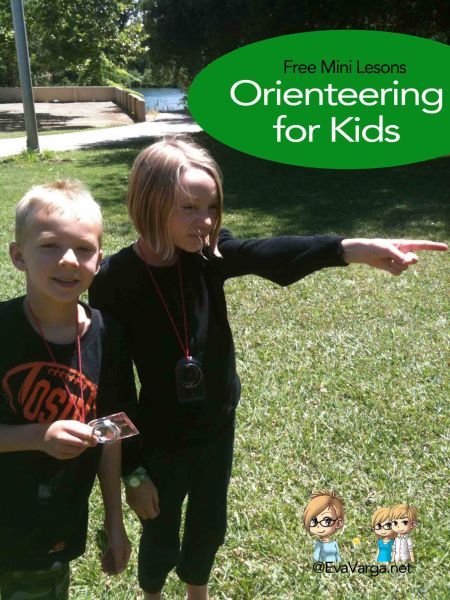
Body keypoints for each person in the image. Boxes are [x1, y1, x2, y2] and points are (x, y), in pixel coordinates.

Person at [88, 137, 447, 600]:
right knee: (160, 530)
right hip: (160, 436)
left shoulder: (207, 255)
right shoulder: (115, 281)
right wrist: (133, 474)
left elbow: (268, 252)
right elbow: (113, 390)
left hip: (217, 424)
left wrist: (349, 249)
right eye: (189, 208)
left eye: (212, 207)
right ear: (150, 203)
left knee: (208, 528)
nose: (206, 221)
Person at [0, 181, 137, 600]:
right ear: (18, 256)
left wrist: (114, 524)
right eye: (49, 246)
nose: (67, 260)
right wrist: (38, 437)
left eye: (83, 248)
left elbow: (110, 434)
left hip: (51, 531)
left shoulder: (108, 335)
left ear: (99, 259)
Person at [303, 490, 344, 562]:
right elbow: (316, 556)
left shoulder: (334, 543)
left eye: (327, 521)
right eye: (314, 521)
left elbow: (337, 555)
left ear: (338, 523)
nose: (318, 526)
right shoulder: (319, 544)